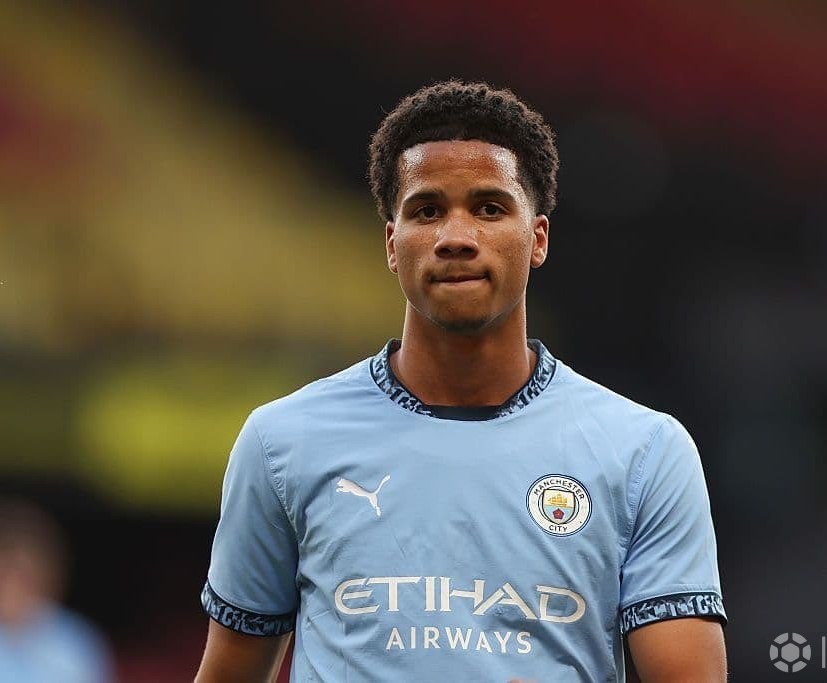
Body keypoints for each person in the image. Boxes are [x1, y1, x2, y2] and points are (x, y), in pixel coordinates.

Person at [196, 80, 727, 682]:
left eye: (489, 208)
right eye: (427, 211)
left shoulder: (643, 452)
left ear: (538, 238)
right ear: (392, 244)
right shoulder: (282, 443)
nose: (455, 238)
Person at [0, 497, 113, 683]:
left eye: (22, 577)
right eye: (0, 578)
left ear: (48, 579)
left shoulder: (75, 642)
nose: (10, 590)